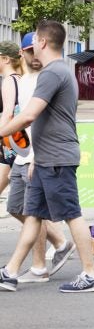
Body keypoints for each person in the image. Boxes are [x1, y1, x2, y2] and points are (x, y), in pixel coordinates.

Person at [0, 20, 94, 293]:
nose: (31, 46)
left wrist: (1, 132)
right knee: (33, 215)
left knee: (72, 215)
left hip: (58, 158)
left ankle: (90, 274)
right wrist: (35, 157)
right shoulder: (58, 71)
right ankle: (10, 272)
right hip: (45, 158)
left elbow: (29, 115)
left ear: (43, 42)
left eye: (34, 40)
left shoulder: (53, 73)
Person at [4, 32, 75, 283]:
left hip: (41, 156)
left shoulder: (47, 78)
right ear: (22, 53)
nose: (34, 57)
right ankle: (59, 242)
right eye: (29, 52)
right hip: (25, 156)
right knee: (18, 208)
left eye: (36, 51)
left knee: (37, 212)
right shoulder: (23, 81)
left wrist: (35, 156)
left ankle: (34, 267)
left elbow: (35, 120)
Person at [0, 41, 23, 217]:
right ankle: (60, 241)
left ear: (6, 59)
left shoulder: (9, 81)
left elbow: (8, 114)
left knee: (22, 205)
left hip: (11, 144)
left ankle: (59, 241)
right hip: (16, 143)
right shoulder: (20, 79)